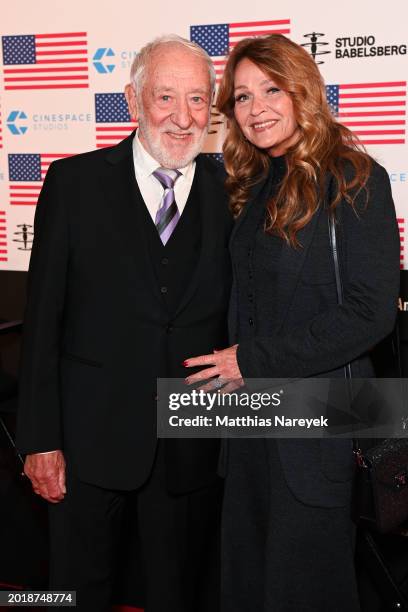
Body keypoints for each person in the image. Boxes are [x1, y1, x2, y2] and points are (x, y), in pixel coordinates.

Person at [184, 34, 400, 611]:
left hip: (321, 426)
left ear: (302, 89)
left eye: (271, 90)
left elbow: (370, 311)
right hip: (253, 420)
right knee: (249, 580)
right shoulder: (254, 183)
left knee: (305, 587)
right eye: (242, 97)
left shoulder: (355, 178)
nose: (256, 110)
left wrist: (249, 361)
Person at [17, 34, 232, 612]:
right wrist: (40, 441)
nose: (183, 118)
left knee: (177, 594)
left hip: (190, 442)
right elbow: (42, 324)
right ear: (133, 102)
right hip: (88, 441)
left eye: (197, 100)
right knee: (75, 592)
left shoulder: (231, 191)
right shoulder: (73, 184)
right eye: (166, 98)